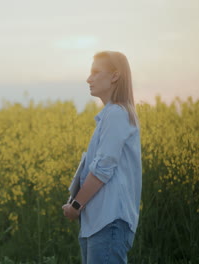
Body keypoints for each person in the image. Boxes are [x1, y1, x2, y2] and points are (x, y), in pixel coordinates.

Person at [62, 51, 142, 263]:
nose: (89, 79)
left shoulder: (116, 114)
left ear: (115, 76)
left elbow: (102, 169)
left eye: (96, 72)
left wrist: (76, 206)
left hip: (109, 221)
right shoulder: (110, 114)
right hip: (98, 222)